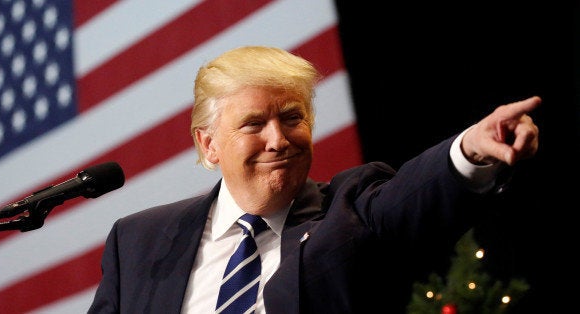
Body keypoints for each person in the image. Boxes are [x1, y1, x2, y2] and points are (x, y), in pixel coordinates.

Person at [87, 46, 540, 314]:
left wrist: (469, 151)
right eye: (253, 124)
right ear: (209, 145)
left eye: (292, 118)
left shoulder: (350, 209)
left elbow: (408, 200)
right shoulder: (137, 243)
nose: (278, 140)